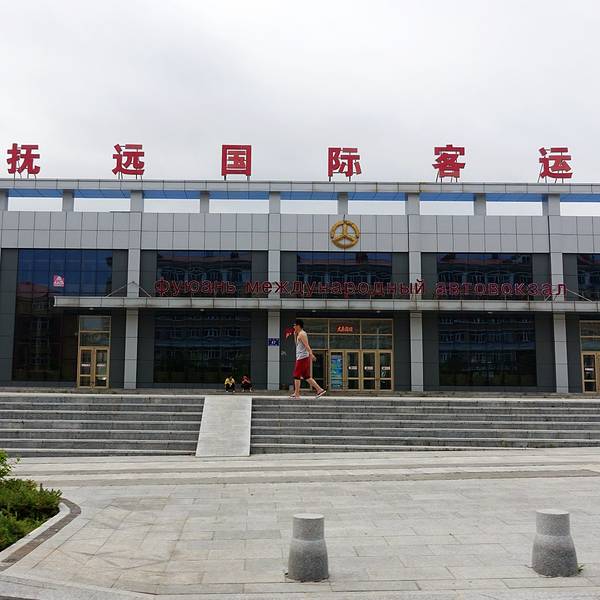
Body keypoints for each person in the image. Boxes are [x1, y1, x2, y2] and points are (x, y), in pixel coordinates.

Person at [291, 319, 326, 399]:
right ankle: (320, 390)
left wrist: (311, 354)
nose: (293, 327)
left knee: (296, 375)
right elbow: (297, 345)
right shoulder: (299, 334)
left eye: (294, 325)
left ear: (298, 326)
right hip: (301, 357)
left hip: (302, 358)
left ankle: (297, 394)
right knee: (306, 376)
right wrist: (294, 335)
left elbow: (307, 345)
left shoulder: (302, 334)